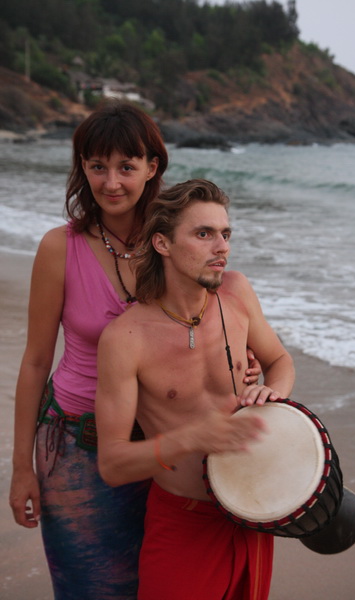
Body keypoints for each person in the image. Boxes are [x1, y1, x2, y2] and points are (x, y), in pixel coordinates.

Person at [9, 102, 262, 600]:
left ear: (152, 167)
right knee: (92, 589)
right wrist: (21, 469)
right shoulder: (60, 248)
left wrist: (242, 362)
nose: (111, 183)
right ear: (82, 167)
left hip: (171, 451)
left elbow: (214, 311)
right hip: (79, 449)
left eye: (126, 166)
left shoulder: (176, 239)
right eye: (97, 166)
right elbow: (36, 361)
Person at [96, 179, 295, 600]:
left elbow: (280, 361)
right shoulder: (126, 338)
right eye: (204, 234)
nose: (222, 247)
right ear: (163, 243)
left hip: (253, 508)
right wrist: (190, 438)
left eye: (225, 233)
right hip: (183, 520)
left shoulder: (237, 293)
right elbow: (112, 464)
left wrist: (273, 393)